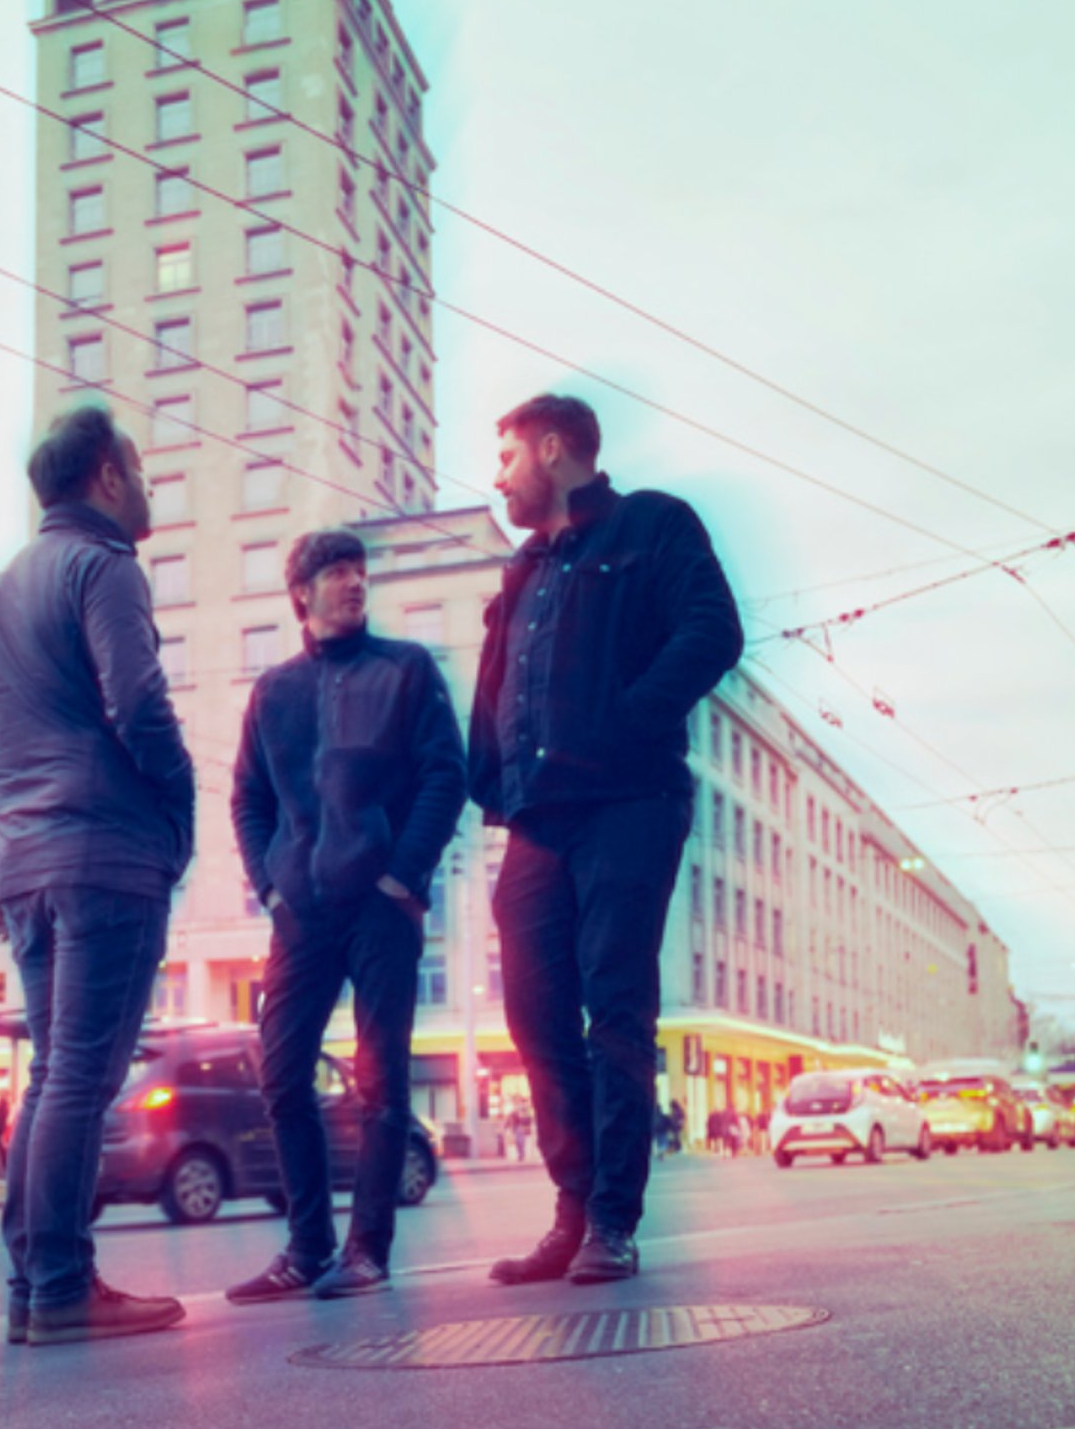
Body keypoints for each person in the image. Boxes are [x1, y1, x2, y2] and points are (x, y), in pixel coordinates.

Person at [469, 394, 742, 1287]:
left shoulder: (652, 525)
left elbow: (713, 632)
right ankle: (572, 1208)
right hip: (536, 821)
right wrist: (490, 780)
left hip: (629, 801)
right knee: (534, 1015)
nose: (499, 473)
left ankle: (612, 1222)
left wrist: (627, 721)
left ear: (555, 449)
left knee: (614, 1007)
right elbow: (497, 681)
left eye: (508, 454)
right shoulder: (526, 567)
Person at [0, 405, 194, 1347]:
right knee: (81, 1079)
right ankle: (60, 1283)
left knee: (57, 1073)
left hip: (31, 869)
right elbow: (137, 702)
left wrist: (2, 861)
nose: (147, 485)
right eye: (138, 467)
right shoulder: (106, 568)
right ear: (105, 476)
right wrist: (176, 809)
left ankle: (36, 1285)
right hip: (106, 856)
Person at [224, 529, 466, 1305]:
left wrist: (403, 877)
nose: (354, 583)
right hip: (301, 913)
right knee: (284, 1075)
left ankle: (367, 1249)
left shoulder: (407, 668)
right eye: (336, 572)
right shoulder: (273, 691)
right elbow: (248, 800)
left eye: (360, 571)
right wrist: (270, 887)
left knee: (380, 1082)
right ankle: (306, 1248)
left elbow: (445, 774)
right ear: (302, 592)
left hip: (380, 907)